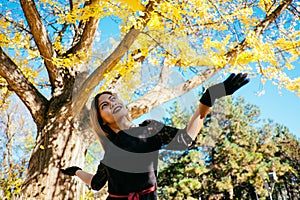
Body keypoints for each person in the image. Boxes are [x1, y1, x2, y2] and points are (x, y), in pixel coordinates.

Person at [61, 73, 250, 200]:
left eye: (113, 98)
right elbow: (96, 183)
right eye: (104, 106)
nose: (112, 103)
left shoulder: (150, 129)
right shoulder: (110, 152)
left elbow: (187, 139)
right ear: (102, 121)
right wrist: (77, 171)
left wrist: (209, 98)